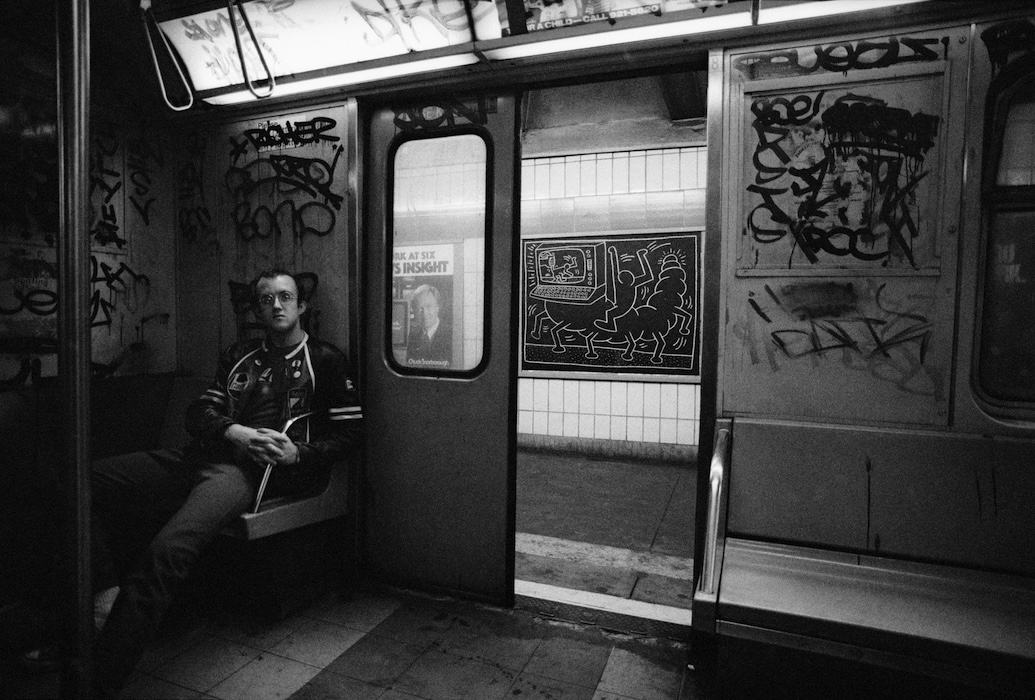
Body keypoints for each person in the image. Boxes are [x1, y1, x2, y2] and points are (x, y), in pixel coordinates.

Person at [85, 268, 360, 698]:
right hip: (197, 456)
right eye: (267, 299)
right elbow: (199, 413)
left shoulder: (325, 360)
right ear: (258, 309)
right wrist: (235, 432)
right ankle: (104, 592)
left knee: (167, 551)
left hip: (241, 474)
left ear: (302, 305)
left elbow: (349, 436)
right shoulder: (240, 354)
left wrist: (298, 453)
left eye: (285, 297)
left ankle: (97, 680)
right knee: (83, 479)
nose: (276, 306)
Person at [405, 284, 451, 367]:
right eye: (419, 308)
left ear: (437, 307)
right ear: (414, 311)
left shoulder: (452, 335)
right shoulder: (411, 336)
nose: (424, 313)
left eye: (429, 306)